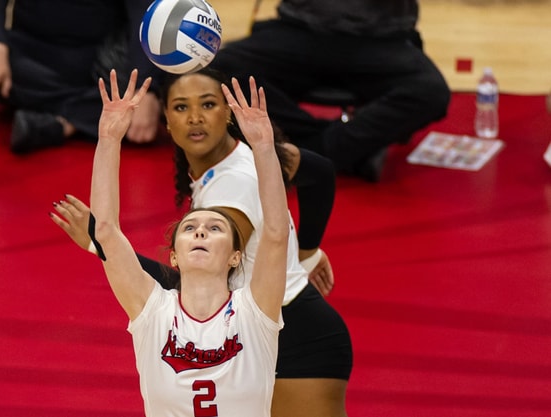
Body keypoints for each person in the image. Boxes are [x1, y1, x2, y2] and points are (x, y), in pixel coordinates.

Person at [53, 67, 352, 417]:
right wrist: (108, 138)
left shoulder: (255, 312)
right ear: (175, 255)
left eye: (215, 229)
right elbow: (106, 230)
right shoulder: (154, 312)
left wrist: (264, 147)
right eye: (192, 226)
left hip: (299, 339)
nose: (200, 231)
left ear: (235, 257)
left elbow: (275, 232)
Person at [210, 0, 451, 182]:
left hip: (380, 39)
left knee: (430, 91)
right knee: (216, 69)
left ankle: (308, 153)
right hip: (299, 29)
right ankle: (340, 149)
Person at [0, 0, 163, 154]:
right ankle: (79, 118)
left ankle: (63, 119)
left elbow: (144, 13)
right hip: (30, 54)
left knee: (170, 83)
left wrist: (146, 88)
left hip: (97, 62)